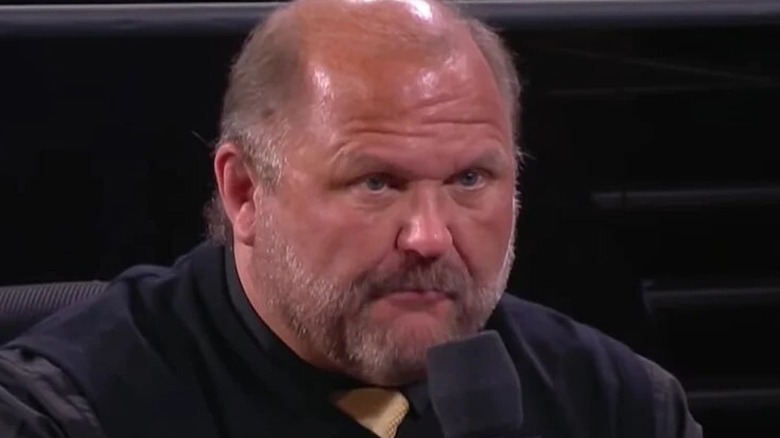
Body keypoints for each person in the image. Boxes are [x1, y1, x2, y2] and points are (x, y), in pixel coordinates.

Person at [0, 0, 702, 436]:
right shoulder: (69, 412)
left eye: (469, 179)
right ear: (245, 192)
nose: (429, 237)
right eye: (376, 183)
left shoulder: (617, 406)